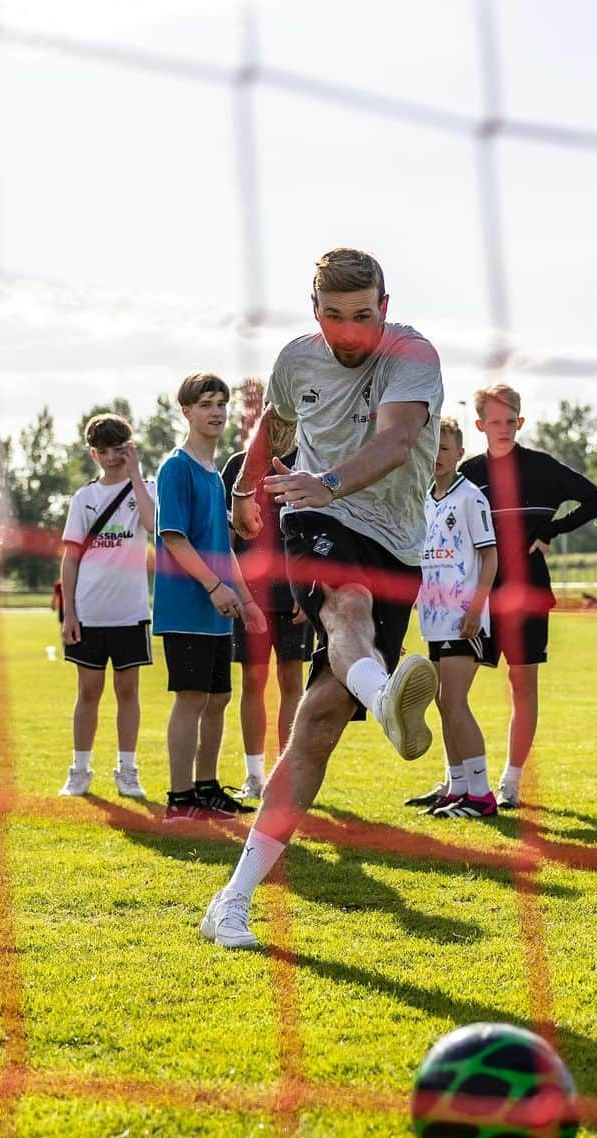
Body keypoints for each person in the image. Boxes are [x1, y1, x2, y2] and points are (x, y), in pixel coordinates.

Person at [200, 247, 443, 949]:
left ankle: (231, 899)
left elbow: (398, 440)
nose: (349, 333)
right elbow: (273, 426)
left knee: (316, 723)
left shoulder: (412, 356)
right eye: (334, 317)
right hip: (314, 513)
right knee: (345, 603)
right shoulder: (296, 359)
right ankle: (387, 696)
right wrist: (248, 490)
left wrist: (331, 480)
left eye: (362, 316)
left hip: (393, 538)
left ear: (385, 309)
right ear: (315, 312)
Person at [460, 384, 597, 807]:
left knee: (521, 686)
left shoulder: (543, 468)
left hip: (528, 595)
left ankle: (511, 780)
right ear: (479, 425)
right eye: (494, 422)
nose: (503, 429)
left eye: (510, 422)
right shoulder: (467, 474)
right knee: (453, 689)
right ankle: (463, 779)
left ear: (520, 422)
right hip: (478, 598)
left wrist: (551, 530)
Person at [153, 373, 266, 822]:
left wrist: (247, 599)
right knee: (191, 697)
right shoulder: (176, 468)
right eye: (205, 404)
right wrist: (214, 587)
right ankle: (179, 799)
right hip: (187, 606)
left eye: (221, 403)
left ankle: (206, 788)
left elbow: (223, 547)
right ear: (186, 411)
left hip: (219, 608)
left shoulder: (216, 477)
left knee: (217, 698)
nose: (215, 411)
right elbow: (174, 540)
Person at [58, 413, 156, 799]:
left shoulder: (143, 488)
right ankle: (79, 770)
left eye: (121, 449)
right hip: (89, 611)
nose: (114, 457)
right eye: (106, 451)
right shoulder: (83, 498)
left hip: (130, 611)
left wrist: (136, 474)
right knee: (88, 691)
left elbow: (153, 523)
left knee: (128, 690)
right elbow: (70, 558)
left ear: (130, 448)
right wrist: (69, 612)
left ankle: (127, 769)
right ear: (93, 454)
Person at [405, 417, 498, 818]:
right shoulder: (424, 498)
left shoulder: (471, 497)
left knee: (455, 702)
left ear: (460, 453)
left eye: (445, 448)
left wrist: (476, 608)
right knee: (444, 704)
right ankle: (457, 788)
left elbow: (490, 556)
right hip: (435, 618)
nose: (438, 456)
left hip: (464, 617)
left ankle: (481, 794)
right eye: (432, 448)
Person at [221, 437, 313, 800]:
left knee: (292, 681)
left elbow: (317, 533)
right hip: (251, 598)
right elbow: (225, 537)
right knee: (253, 682)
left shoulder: (309, 461)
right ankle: (254, 776)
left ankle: (286, 776)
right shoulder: (238, 465)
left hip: (294, 596)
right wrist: (242, 594)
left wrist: (308, 589)